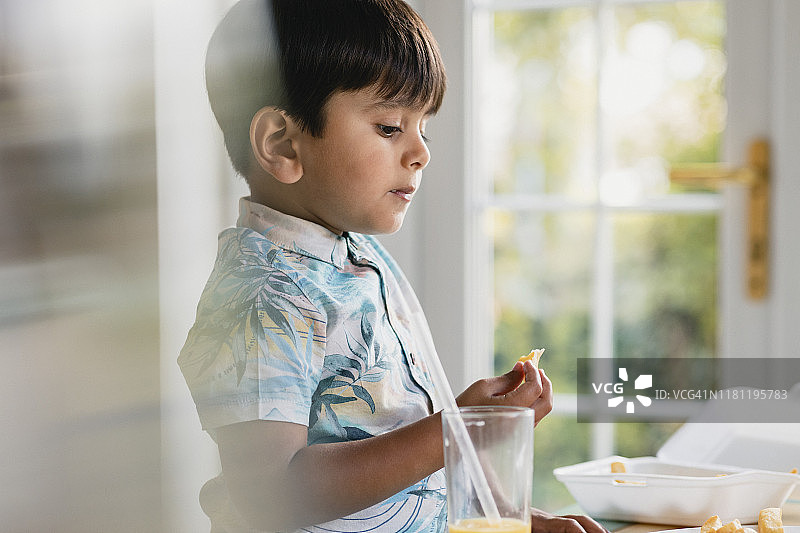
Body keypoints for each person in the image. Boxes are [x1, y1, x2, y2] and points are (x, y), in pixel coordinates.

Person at [178, 1, 608, 532]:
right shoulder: (263, 297)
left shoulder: (356, 257)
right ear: (282, 142)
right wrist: (455, 430)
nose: (421, 152)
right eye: (389, 127)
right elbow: (271, 496)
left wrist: (510, 518)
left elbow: (399, 445)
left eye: (423, 127)